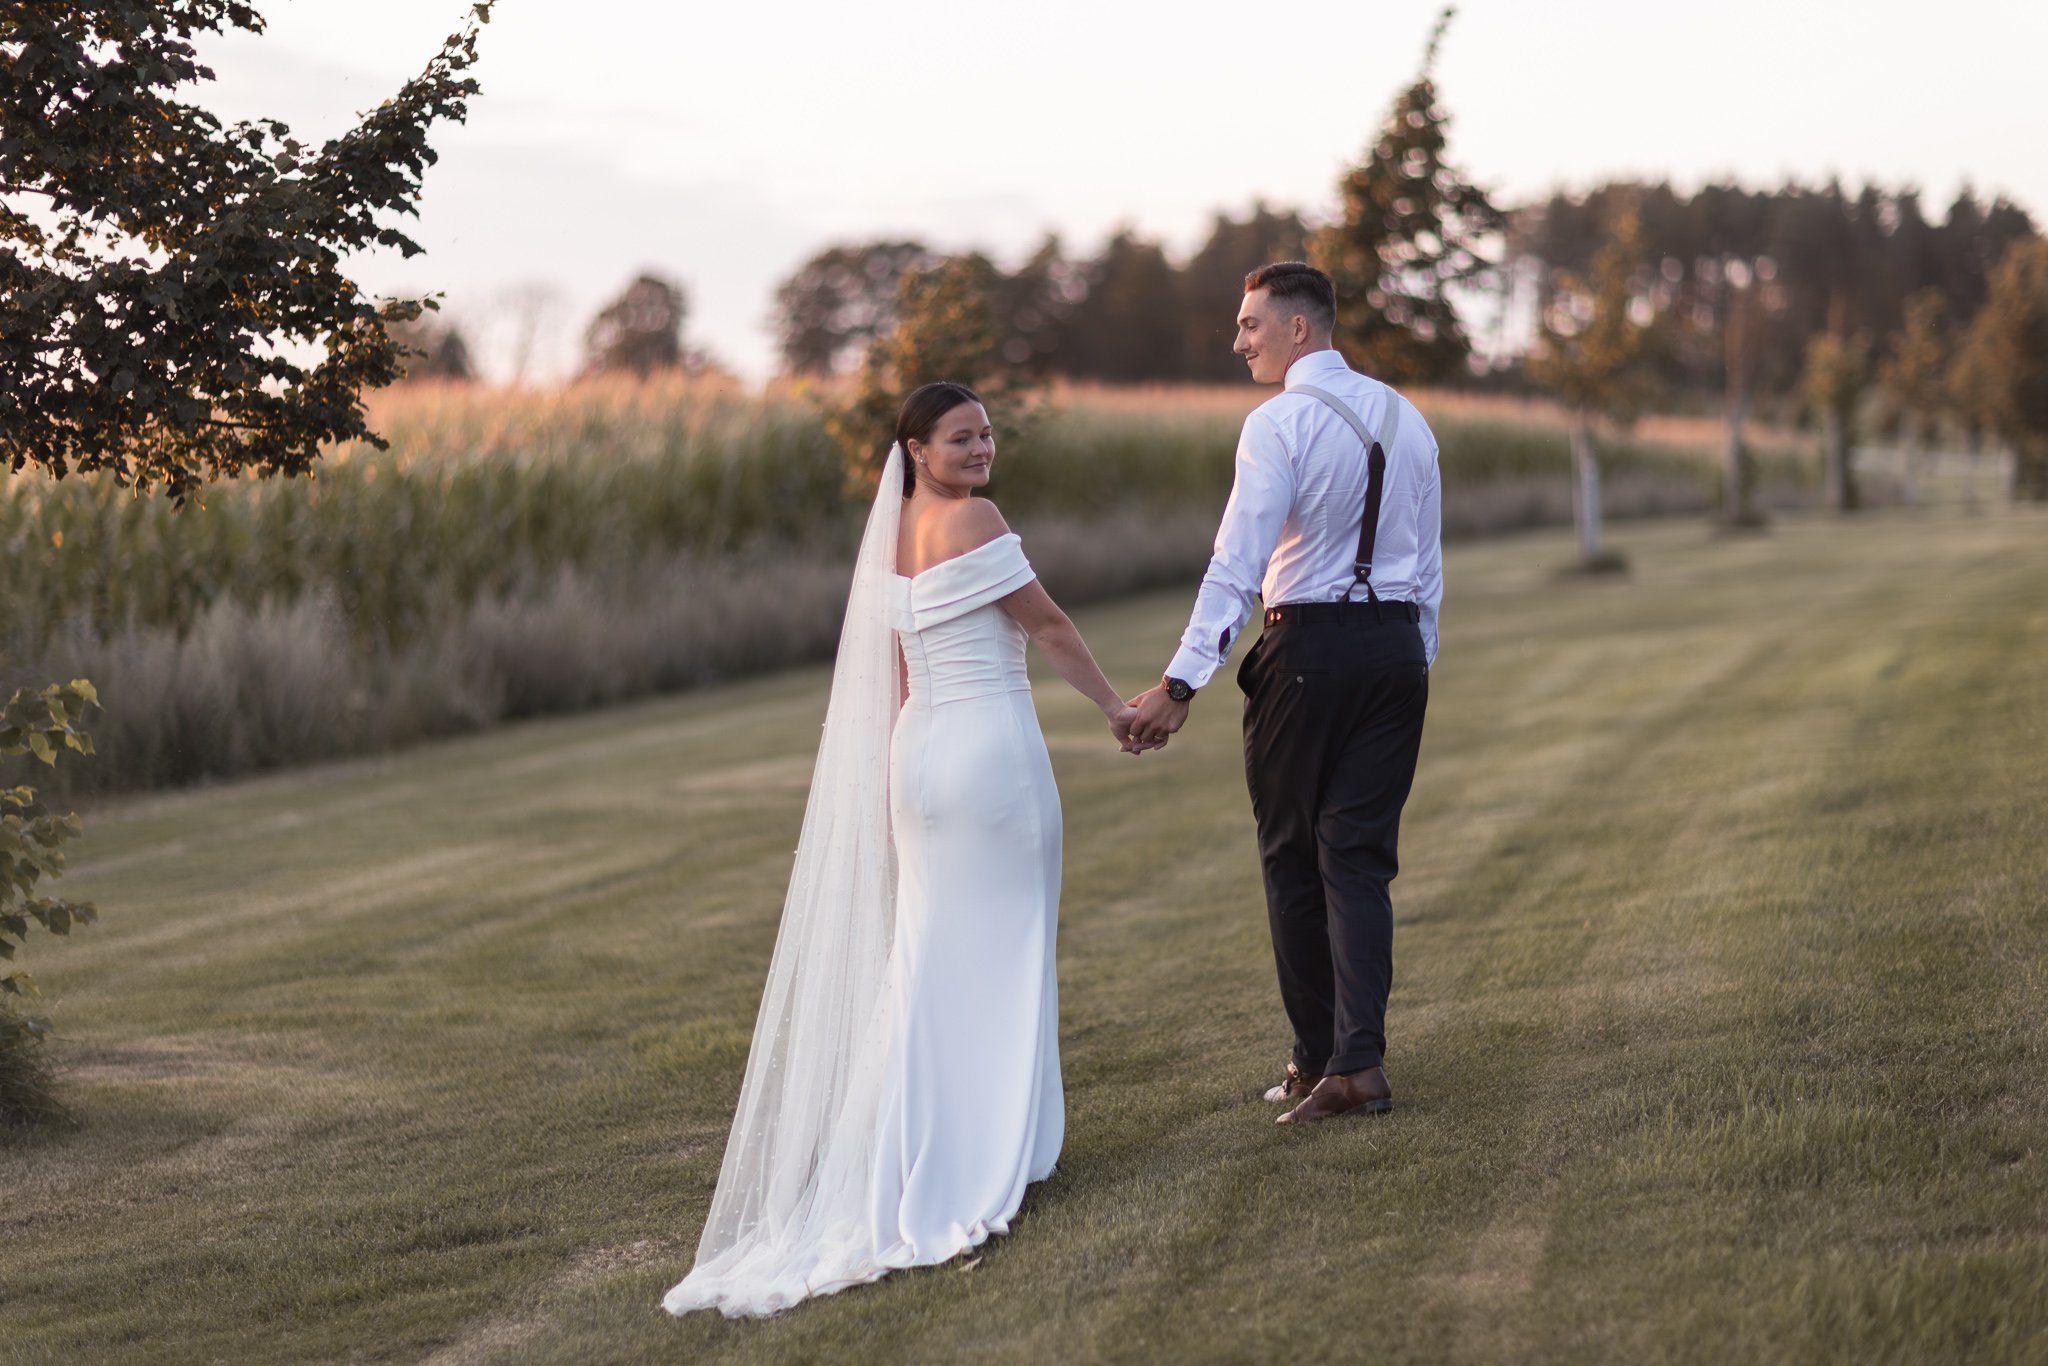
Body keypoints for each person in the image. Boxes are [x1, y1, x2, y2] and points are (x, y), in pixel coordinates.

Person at [663, 382, 1140, 1317]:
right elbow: (1045, 625)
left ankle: (912, 1144)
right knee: (999, 951)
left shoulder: (887, 537)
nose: (982, 450)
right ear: (915, 448)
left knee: (928, 956)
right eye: (962, 437)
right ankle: (977, 1151)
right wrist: (1118, 708)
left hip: (916, 755)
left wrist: (890, 772)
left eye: (989, 435)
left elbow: (886, 673)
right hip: (988, 754)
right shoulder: (977, 520)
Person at [1127, 262, 1443, 1125]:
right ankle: (1358, 1064)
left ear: (1299, 329)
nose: (1239, 341)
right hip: (1393, 656)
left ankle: (1318, 1063)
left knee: (1295, 861)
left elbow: (1237, 563)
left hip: (1308, 651)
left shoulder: (1279, 424)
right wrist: (1416, 659)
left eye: (1250, 324)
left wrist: (1183, 680)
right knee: (1360, 861)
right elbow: (1430, 561)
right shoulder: (1409, 417)